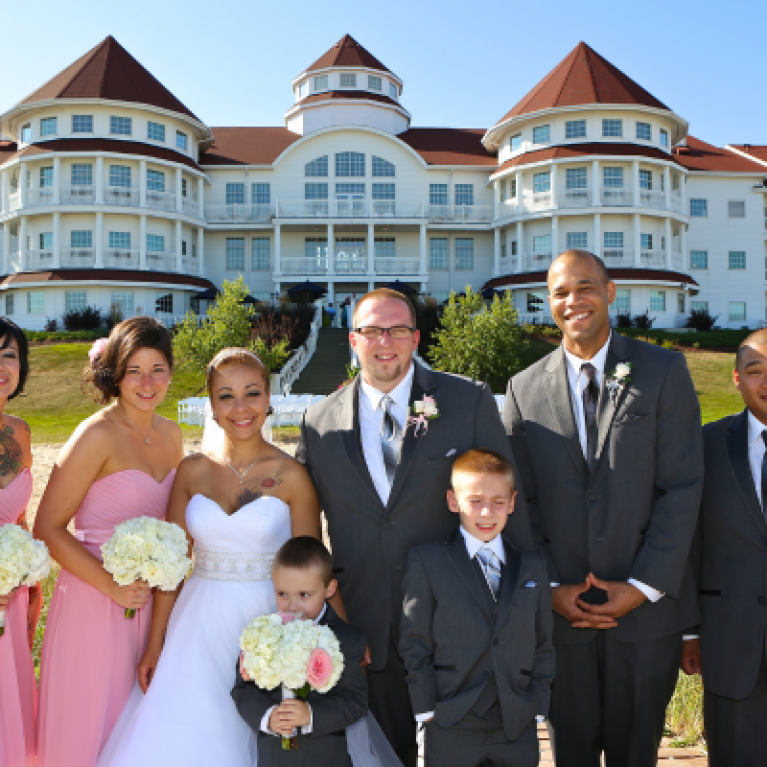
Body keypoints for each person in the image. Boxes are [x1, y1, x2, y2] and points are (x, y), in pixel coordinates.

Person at [297, 287, 532, 767]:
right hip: (366, 625)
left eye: (398, 329)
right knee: (383, 756)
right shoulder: (318, 422)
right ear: (352, 340)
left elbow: (511, 507)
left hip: (458, 625)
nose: (385, 340)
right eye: (371, 330)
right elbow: (300, 518)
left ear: (416, 337)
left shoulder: (466, 401)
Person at [504, 250, 704, 767]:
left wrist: (641, 588)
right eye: (560, 292)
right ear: (548, 304)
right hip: (563, 616)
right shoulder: (523, 390)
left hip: (644, 619)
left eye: (586, 287)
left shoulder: (663, 371)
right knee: (569, 754)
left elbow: (682, 486)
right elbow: (519, 502)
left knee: (637, 754)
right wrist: (550, 591)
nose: (574, 301)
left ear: (610, 292)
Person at [96, 348, 322, 767]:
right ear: (211, 405)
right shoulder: (192, 471)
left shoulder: (292, 475)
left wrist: (329, 638)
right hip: (196, 623)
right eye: (226, 396)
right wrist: (155, 641)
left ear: (269, 398)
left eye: (252, 393)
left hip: (270, 620)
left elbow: (312, 567)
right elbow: (175, 564)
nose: (241, 408)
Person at [35, 317, 183, 767]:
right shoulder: (95, 434)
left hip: (148, 605)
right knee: (92, 722)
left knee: (138, 726)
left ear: (170, 373)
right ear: (115, 373)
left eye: (157, 368)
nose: (146, 382)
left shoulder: (172, 434)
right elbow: (48, 527)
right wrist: (110, 585)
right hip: (93, 600)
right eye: (134, 370)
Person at [400, 449, 554, 767]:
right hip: (451, 718)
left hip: (515, 721)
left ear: (512, 503)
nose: (487, 512)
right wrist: (425, 708)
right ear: (453, 501)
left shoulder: (532, 567)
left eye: (498, 502)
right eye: (475, 501)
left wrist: (538, 704)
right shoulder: (427, 561)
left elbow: (543, 642)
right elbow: (415, 641)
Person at [681, 329, 767, 766]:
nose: (766, 383)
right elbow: (688, 541)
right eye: (756, 371)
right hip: (729, 641)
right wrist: (689, 631)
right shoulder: (706, 445)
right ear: (736, 378)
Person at [231, 536, 368, 766]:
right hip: (274, 758)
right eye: (282, 593)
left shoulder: (348, 640)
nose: (292, 605)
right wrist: (268, 716)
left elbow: (355, 702)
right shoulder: (262, 635)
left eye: (304, 595)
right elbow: (243, 689)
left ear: (329, 588)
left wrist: (311, 715)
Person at [0, 318, 39, 767]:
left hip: (13, 594)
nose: (1, 364)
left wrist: (31, 582)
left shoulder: (21, 431)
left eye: (9, 354)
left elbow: (19, 517)